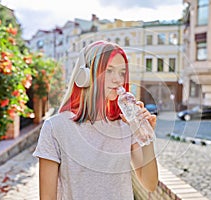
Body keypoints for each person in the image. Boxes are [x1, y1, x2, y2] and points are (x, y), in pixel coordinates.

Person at [33, 40, 158, 199]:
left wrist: (146, 137)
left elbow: (150, 184)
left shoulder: (126, 124)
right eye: (109, 70)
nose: (118, 80)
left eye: (121, 72)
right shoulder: (55, 127)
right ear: (85, 76)